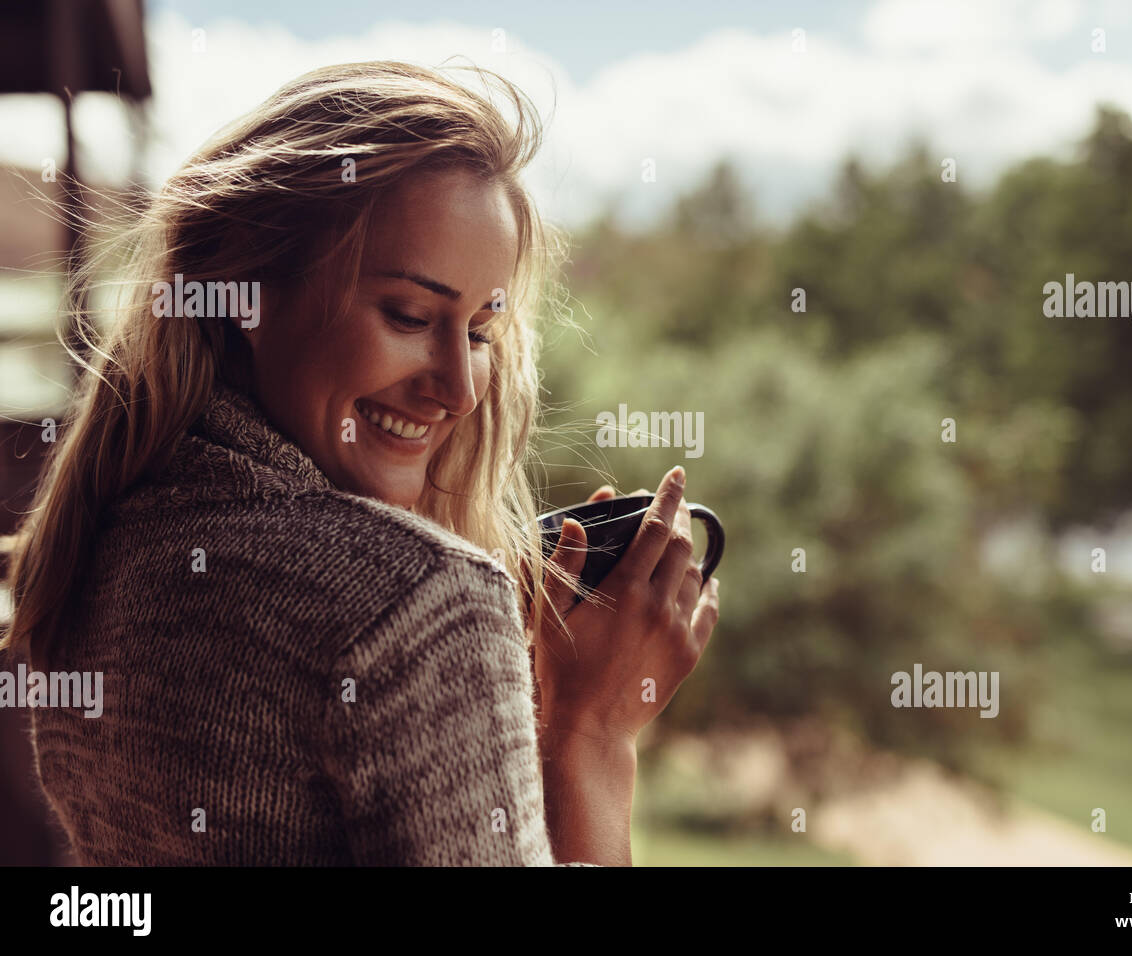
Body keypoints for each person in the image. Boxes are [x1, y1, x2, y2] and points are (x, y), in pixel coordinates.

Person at [2, 60, 720, 866]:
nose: (456, 387)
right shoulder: (419, 598)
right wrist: (591, 733)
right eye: (410, 316)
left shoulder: (90, 553)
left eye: (480, 333)